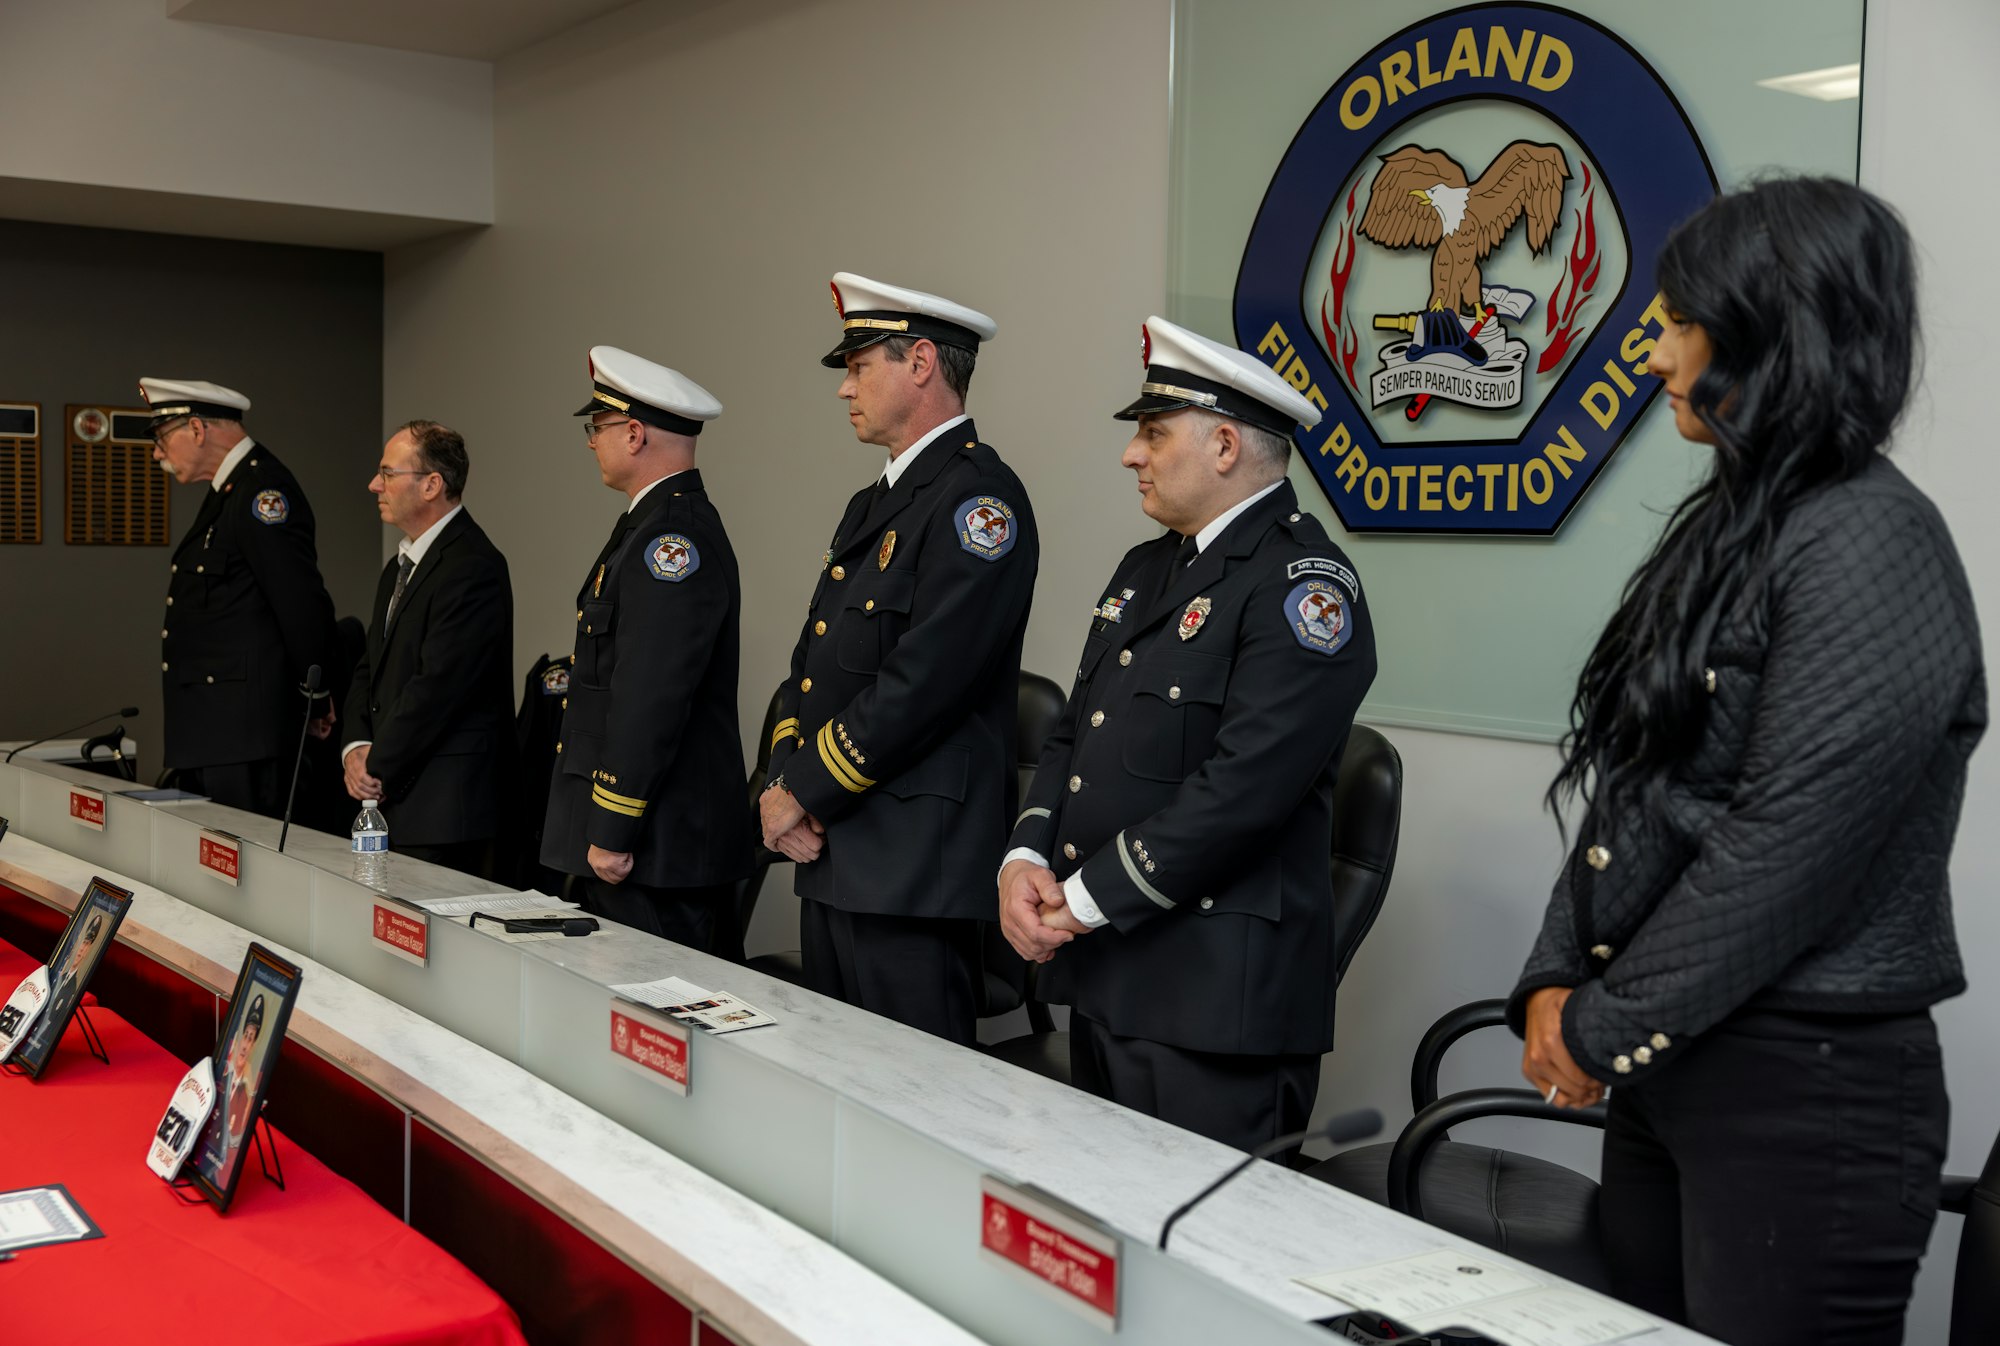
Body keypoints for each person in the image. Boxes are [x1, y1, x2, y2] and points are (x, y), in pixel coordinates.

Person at [1508, 178, 1985, 1344]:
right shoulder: (1737, 521)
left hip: (1802, 1093)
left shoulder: (1871, 537)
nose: (1652, 351)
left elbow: (1786, 842)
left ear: (1771, 327)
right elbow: (1632, 784)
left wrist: (1597, 1027)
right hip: (1681, 1061)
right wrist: (1548, 982)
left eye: (1677, 322)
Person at [997, 317, 1376, 1152]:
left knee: (1199, 1257)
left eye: (1153, 433)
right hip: (1110, 974)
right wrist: (1025, 857)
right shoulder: (1146, 569)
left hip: (1215, 1006)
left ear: (1226, 446)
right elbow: (1074, 735)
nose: (1132, 453)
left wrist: (1085, 901)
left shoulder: (1303, 588)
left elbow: (1244, 792)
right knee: (1106, 1237)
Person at [760, 273, 1038, 1045]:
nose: (844, 389)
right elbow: (812, 663)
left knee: (914, 1109)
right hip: (840, 847)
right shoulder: (874, 502)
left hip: (913, 869)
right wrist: (786, 780)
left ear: (920, 362)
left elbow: (925, 682)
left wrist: (803, 789)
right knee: (838, 1097)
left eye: (859, 367)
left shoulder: (981, 503)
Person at [540, 348, 753, 950]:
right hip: (639, 839)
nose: (591, 442)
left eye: (598, 428)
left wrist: (613, 823)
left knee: (656, 1024)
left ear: (634, 434)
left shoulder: (672, 540)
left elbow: (649, 695)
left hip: (653, 844)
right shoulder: (647, 525)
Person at [145, 378, 337, 817]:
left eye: (161, 438)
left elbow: (301, 603)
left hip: (247, 737)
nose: (157, 452)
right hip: (217, 733)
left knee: (247, 869)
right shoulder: (228, 493)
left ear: (196, 429)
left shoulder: (263, 494)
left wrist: (318, 694)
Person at [341, 420, 516, 876]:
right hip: (396, 794)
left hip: (446, 810)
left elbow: (439, 686)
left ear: (431, 485)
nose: (374, 484)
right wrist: (355, 748)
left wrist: (374, 765)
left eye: (388, 473)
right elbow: (369, 668)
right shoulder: (398, 567)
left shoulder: (472, 566)